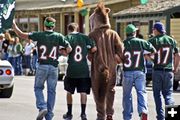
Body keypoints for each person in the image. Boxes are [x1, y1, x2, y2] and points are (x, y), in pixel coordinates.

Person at [12, 17, 72, 120]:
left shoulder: (39, 35)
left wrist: (14, 25)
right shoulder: (59, 36)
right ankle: (49, 116)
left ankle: (42, 107)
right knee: (51, 91)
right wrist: (62, 51)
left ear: (44, 26)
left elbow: (21, 34)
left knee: (38, 88)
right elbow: (69, 49)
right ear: (53, 26)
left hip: (42, 65)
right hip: (54, 67)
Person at [88, 2, 124, 120]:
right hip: (112, 69)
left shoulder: (92, 35)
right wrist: (117, 58)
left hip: (98, 70)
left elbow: (89, 56)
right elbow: (121, 53)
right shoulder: (114, 34)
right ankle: (109, 114)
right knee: (110, 91)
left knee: (98, 92)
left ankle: (101, 115)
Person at [62, 23, 97, 120]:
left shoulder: (67, 38)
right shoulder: (85, 37)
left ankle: (69, 113)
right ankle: (83, 113)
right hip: (83, 69)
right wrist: (88, 51)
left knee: (69, 92)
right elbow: (94, 48)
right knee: (83, 92)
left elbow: (64, 52)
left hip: (72, 69)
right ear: (77, 28)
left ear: (68, 29)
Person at [122, 24, 156, 120]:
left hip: (127, 71)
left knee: (127, 95)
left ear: (126, 34)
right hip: (140, 71)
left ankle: (127, 116)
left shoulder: (123, 43)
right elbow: (153, 50)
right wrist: (147, 56)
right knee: (141, 92)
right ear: (134, 33)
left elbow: (119, 56)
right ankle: (143, 111)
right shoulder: (142, 42)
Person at [148, 22, 180, 120]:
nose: (153, 31)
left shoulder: (152, 41)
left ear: (156, 30)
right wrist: (175, 68)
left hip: (157, 70)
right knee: (168, 95)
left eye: (153, 29)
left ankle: (160, 117)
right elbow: (177, 55)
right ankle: (172, 116)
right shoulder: (171, 40)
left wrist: (152, 60)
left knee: (157, 95)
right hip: (169, 70)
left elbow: (147, 55)